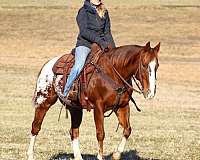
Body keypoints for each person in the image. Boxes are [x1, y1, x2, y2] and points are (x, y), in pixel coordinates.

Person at [63, 0, 115, 101]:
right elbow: (84, 31)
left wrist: (113, 49)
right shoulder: (83, 12)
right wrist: (99, 41)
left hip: (102, 44)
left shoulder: (104, 11)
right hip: (85, 44)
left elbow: (107, 32)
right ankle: (67, 91)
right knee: (79, 65)